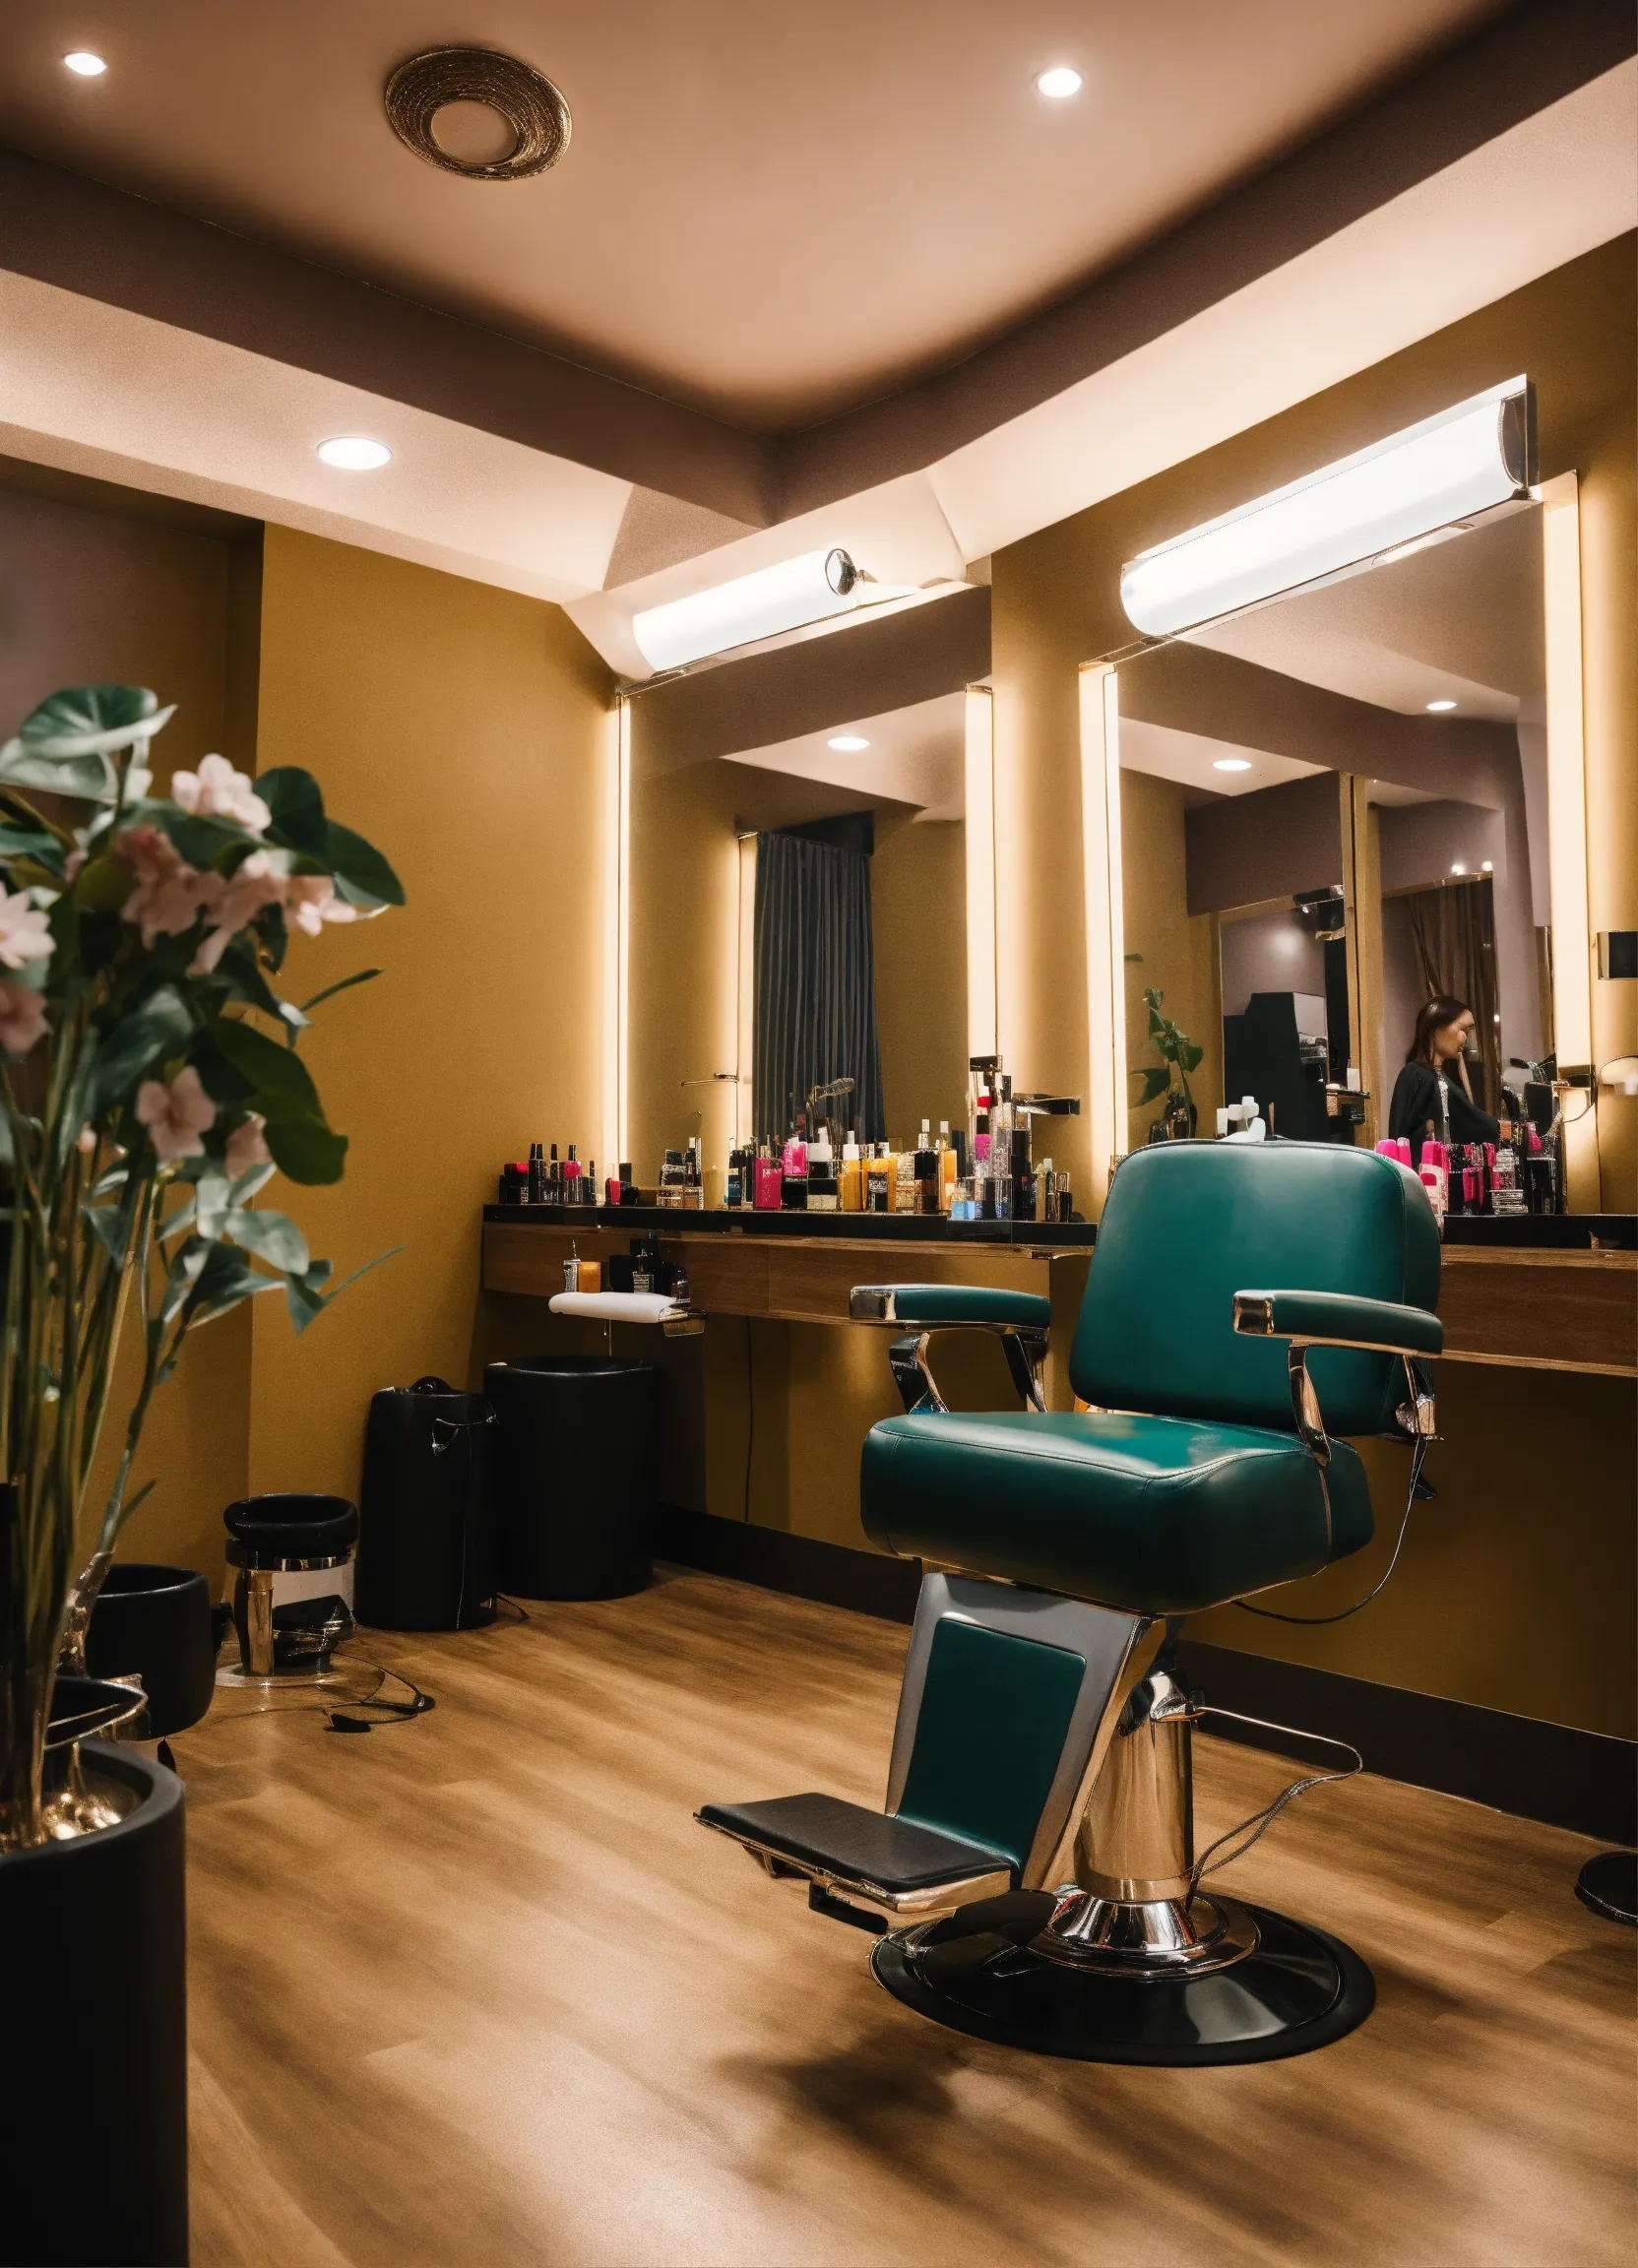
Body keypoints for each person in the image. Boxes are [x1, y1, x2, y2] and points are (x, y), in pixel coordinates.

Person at [1387, 995, 1502, 1165]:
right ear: (1435, 1028)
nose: (1464, 1039)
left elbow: (1472, 1121)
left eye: (1468, 1032)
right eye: (1462, 1029)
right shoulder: (1415, 1075)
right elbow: (1401, 1139)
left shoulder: (1441, 1077)